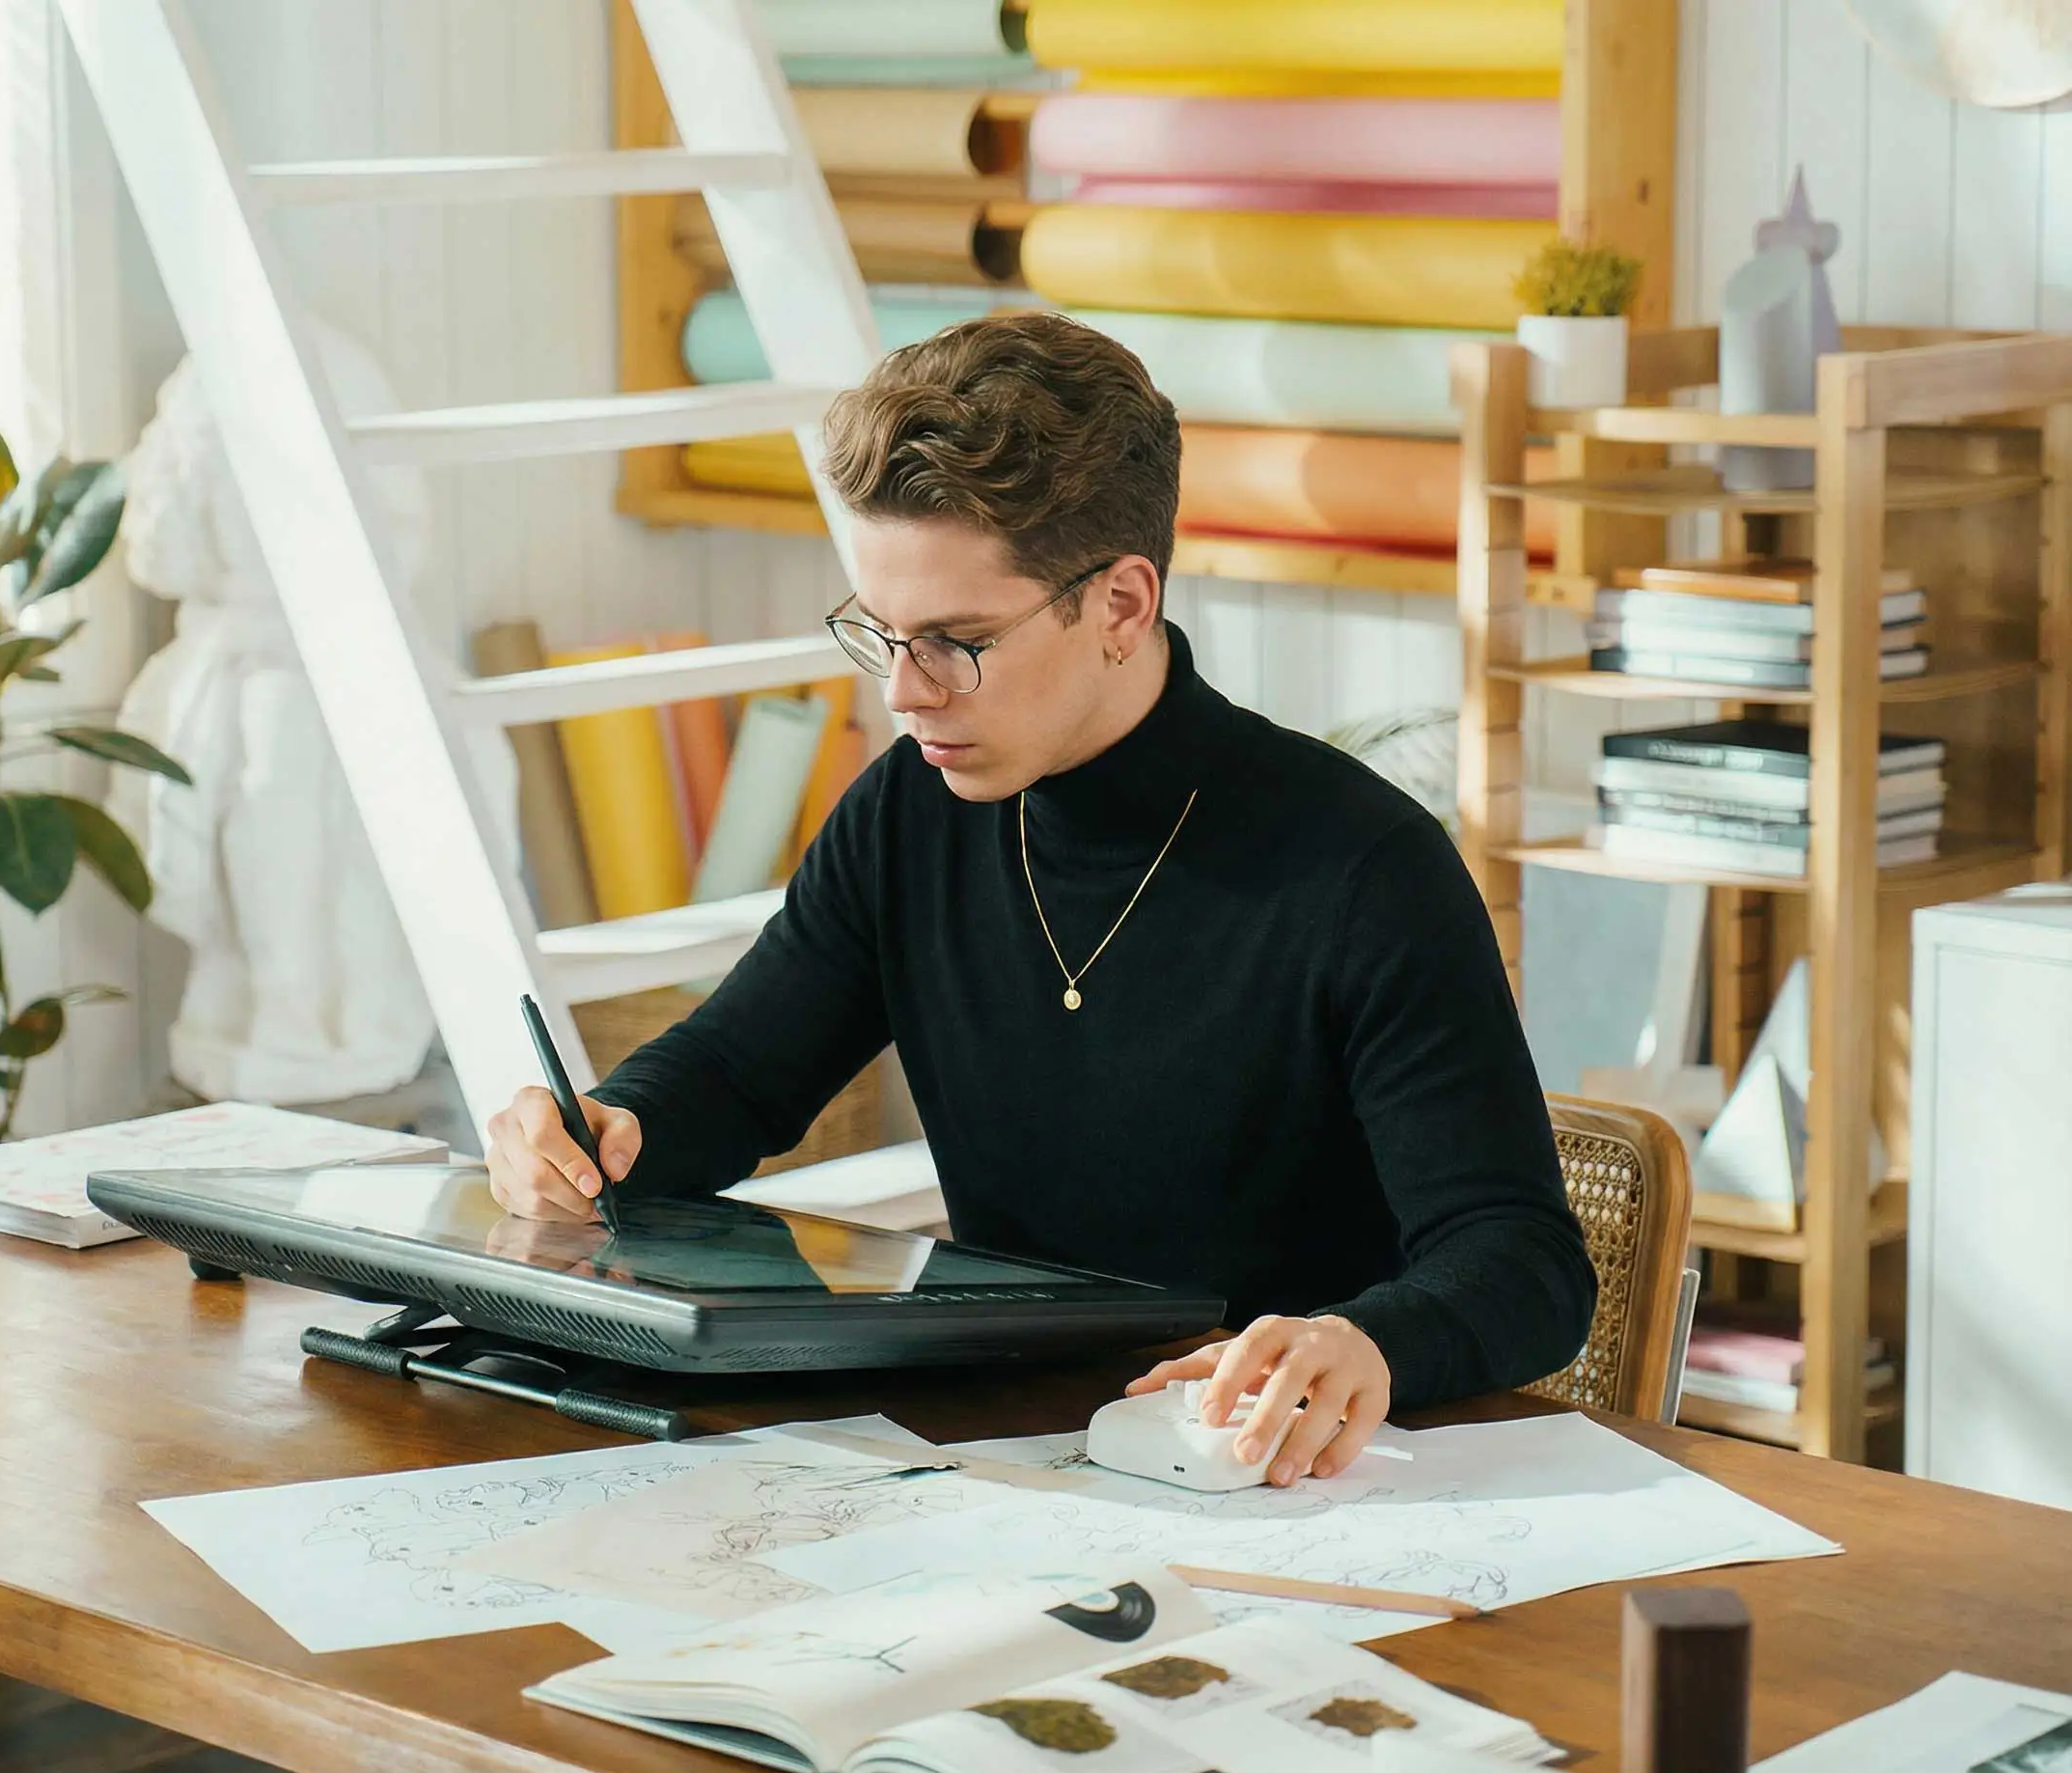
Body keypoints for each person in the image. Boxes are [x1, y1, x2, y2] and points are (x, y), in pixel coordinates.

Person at [485, 314, 1595, 1484]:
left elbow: (1521, 1263)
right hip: (1008, 1463)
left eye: (958, 642)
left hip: (1276, 1477)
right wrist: (604, 1129)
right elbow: (735, 1072)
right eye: (884, 634)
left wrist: (1363, 1339)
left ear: (1120, 604)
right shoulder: (909, 814)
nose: (906, 694)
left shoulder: (1363, 869)